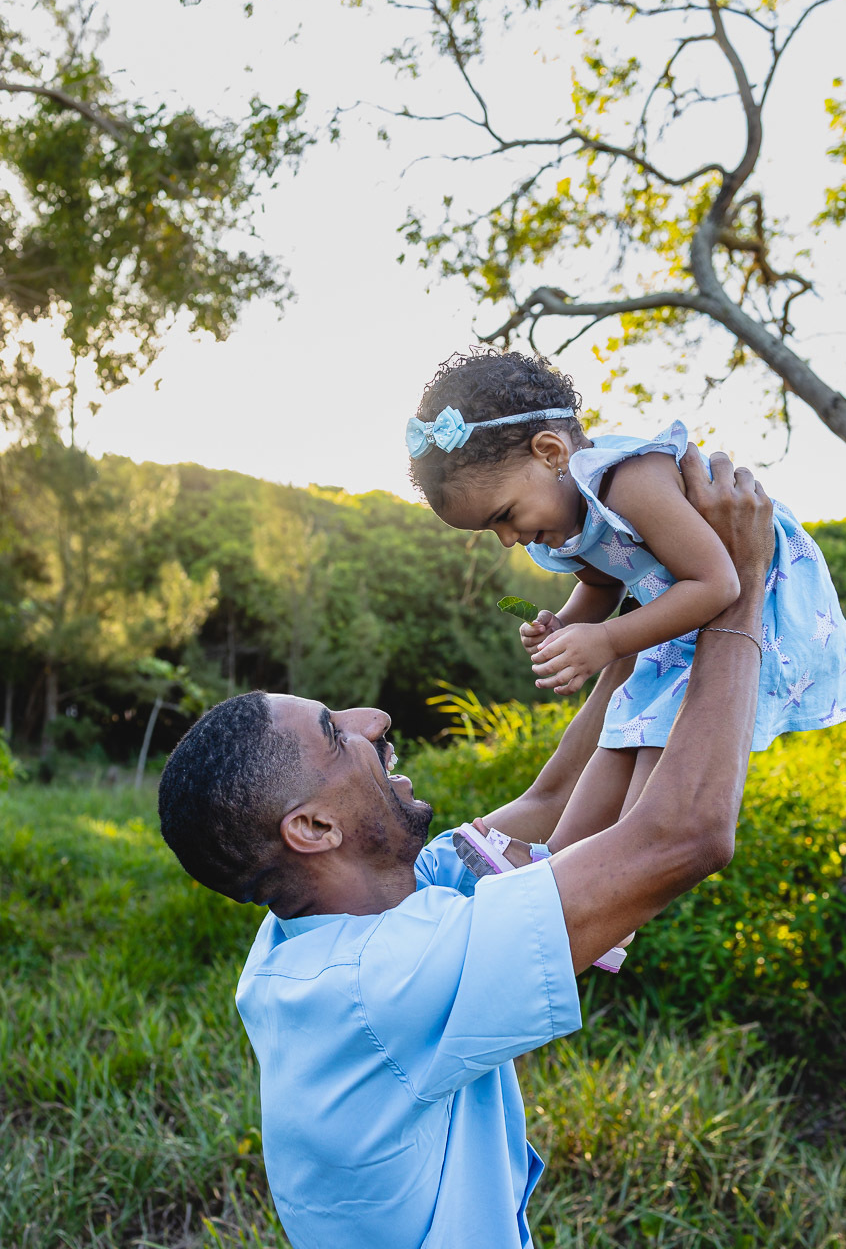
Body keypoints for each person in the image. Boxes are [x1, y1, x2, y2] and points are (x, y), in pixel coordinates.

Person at [158, 448, 774, 1249]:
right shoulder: (380, 982)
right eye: (332, 732)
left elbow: (553, 801)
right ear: (311, 831)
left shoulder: (342, 911)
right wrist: (739, 586)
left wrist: (637, 595)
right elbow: (684, 835)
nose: (372, 718)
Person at [406, 350, 846, 915]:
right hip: (683, 612)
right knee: (625, 725)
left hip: (763, 597)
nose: (507, 539)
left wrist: (610, 642)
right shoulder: (566, 513)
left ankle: (618, 885)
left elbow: (718, 583)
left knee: (653, 729)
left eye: (503, 515)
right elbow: (604, 581)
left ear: (551, 453)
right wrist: (568, 625)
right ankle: (561, 862)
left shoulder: (629, 481)